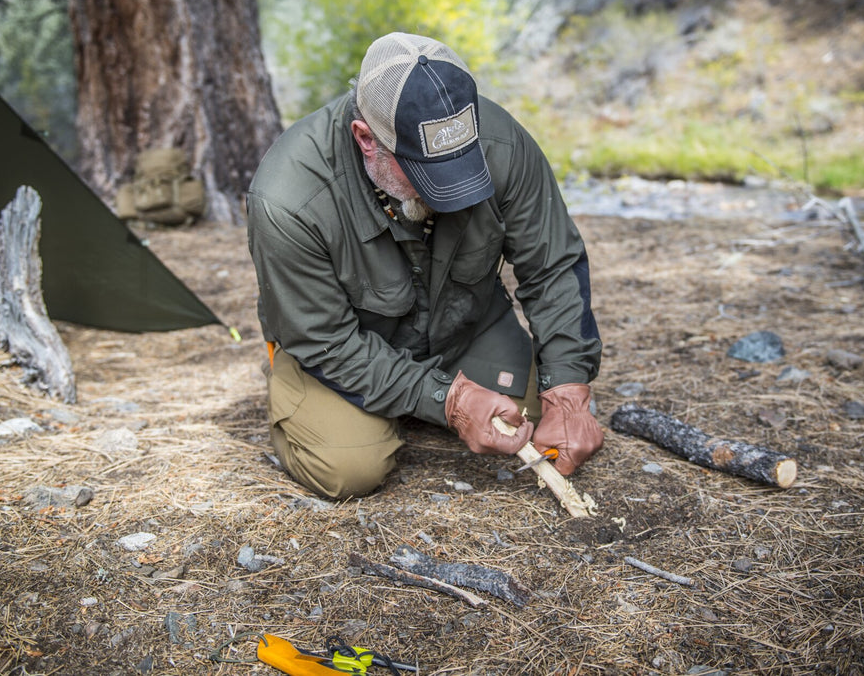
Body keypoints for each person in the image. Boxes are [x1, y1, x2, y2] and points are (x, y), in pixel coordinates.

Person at [246, 32, 602, 499]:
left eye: (461, 165)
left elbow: (552, 264)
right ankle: (317, 399)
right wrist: (447, 399)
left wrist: (568, 386)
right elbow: (326, 340)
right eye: (426, 174)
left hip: (463, 328)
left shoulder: (502, 142)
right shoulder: (287, 198)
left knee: (537, 416)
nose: (449, 191)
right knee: (349, 468)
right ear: (366, 139)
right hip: (345, 349)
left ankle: (422, 397)